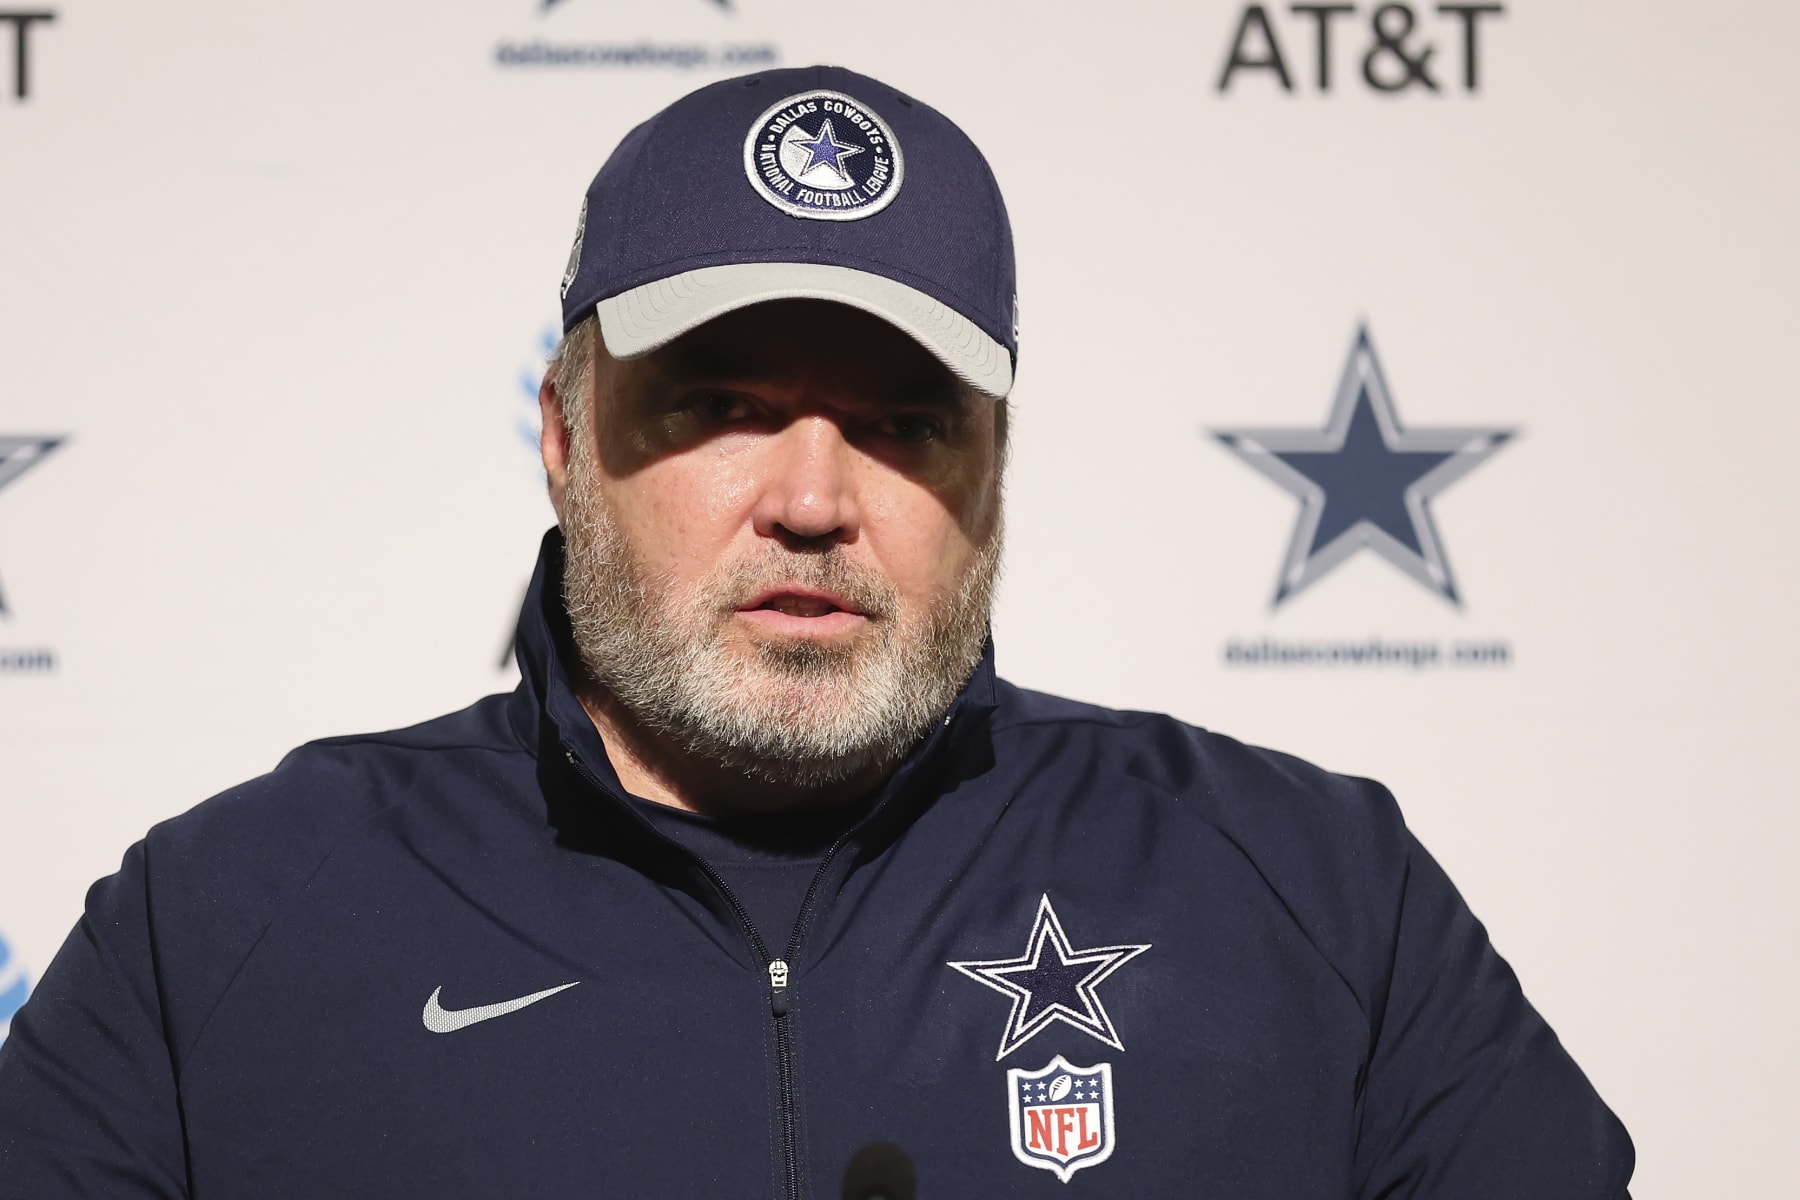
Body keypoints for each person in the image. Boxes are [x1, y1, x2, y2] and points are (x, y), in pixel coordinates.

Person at [0, 65, 1632, 1198]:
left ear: (993, 471)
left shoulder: (1317, 893)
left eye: (905, 423)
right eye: (721, 404)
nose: (810, 498)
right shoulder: (223, 923)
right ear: (564, 439)